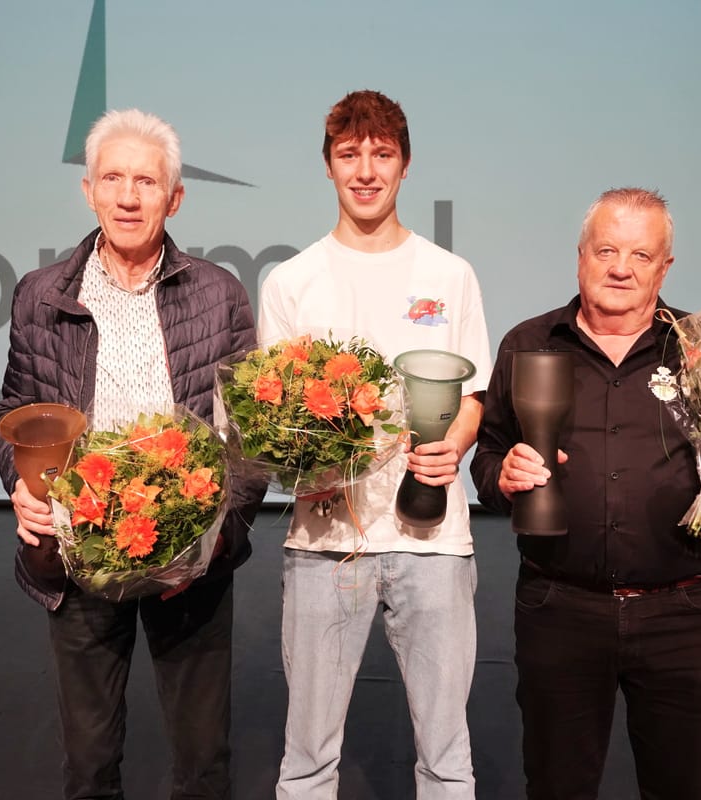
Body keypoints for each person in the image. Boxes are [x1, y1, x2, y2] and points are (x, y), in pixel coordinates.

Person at [469, 187, 701, 800]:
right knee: (556, 786)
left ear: (664, 267)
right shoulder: (528, 343)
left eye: (641, 256)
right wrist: (502, 476)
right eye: (607, 249)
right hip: (559, 609)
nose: (621, 267)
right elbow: (489, 457)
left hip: (685, 613)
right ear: (580, 256)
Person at [0, 108, 267, 800]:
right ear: (88, 189)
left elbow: (249, 440)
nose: (127, 196)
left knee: (203, 766)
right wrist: (23, 490)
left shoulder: (219, 294)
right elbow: (15, 416)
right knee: (89, 768)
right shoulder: (40, 296)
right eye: (112, 178)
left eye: (146, 181)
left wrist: (212, 535)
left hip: (188, 562)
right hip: (80, 556)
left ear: (174, 198)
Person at [257, 89, 493, 799]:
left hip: (434, 541)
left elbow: (474, 394)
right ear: (328, 166)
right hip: (326, 543)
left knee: (447, 760)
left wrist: (452, 445)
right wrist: (309, 453)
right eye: (349, 154)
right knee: (307, 764)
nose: (365, 170)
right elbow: (271, 415)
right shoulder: (292, 281)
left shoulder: (449, 275)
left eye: (381, 154)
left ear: (405, 165)